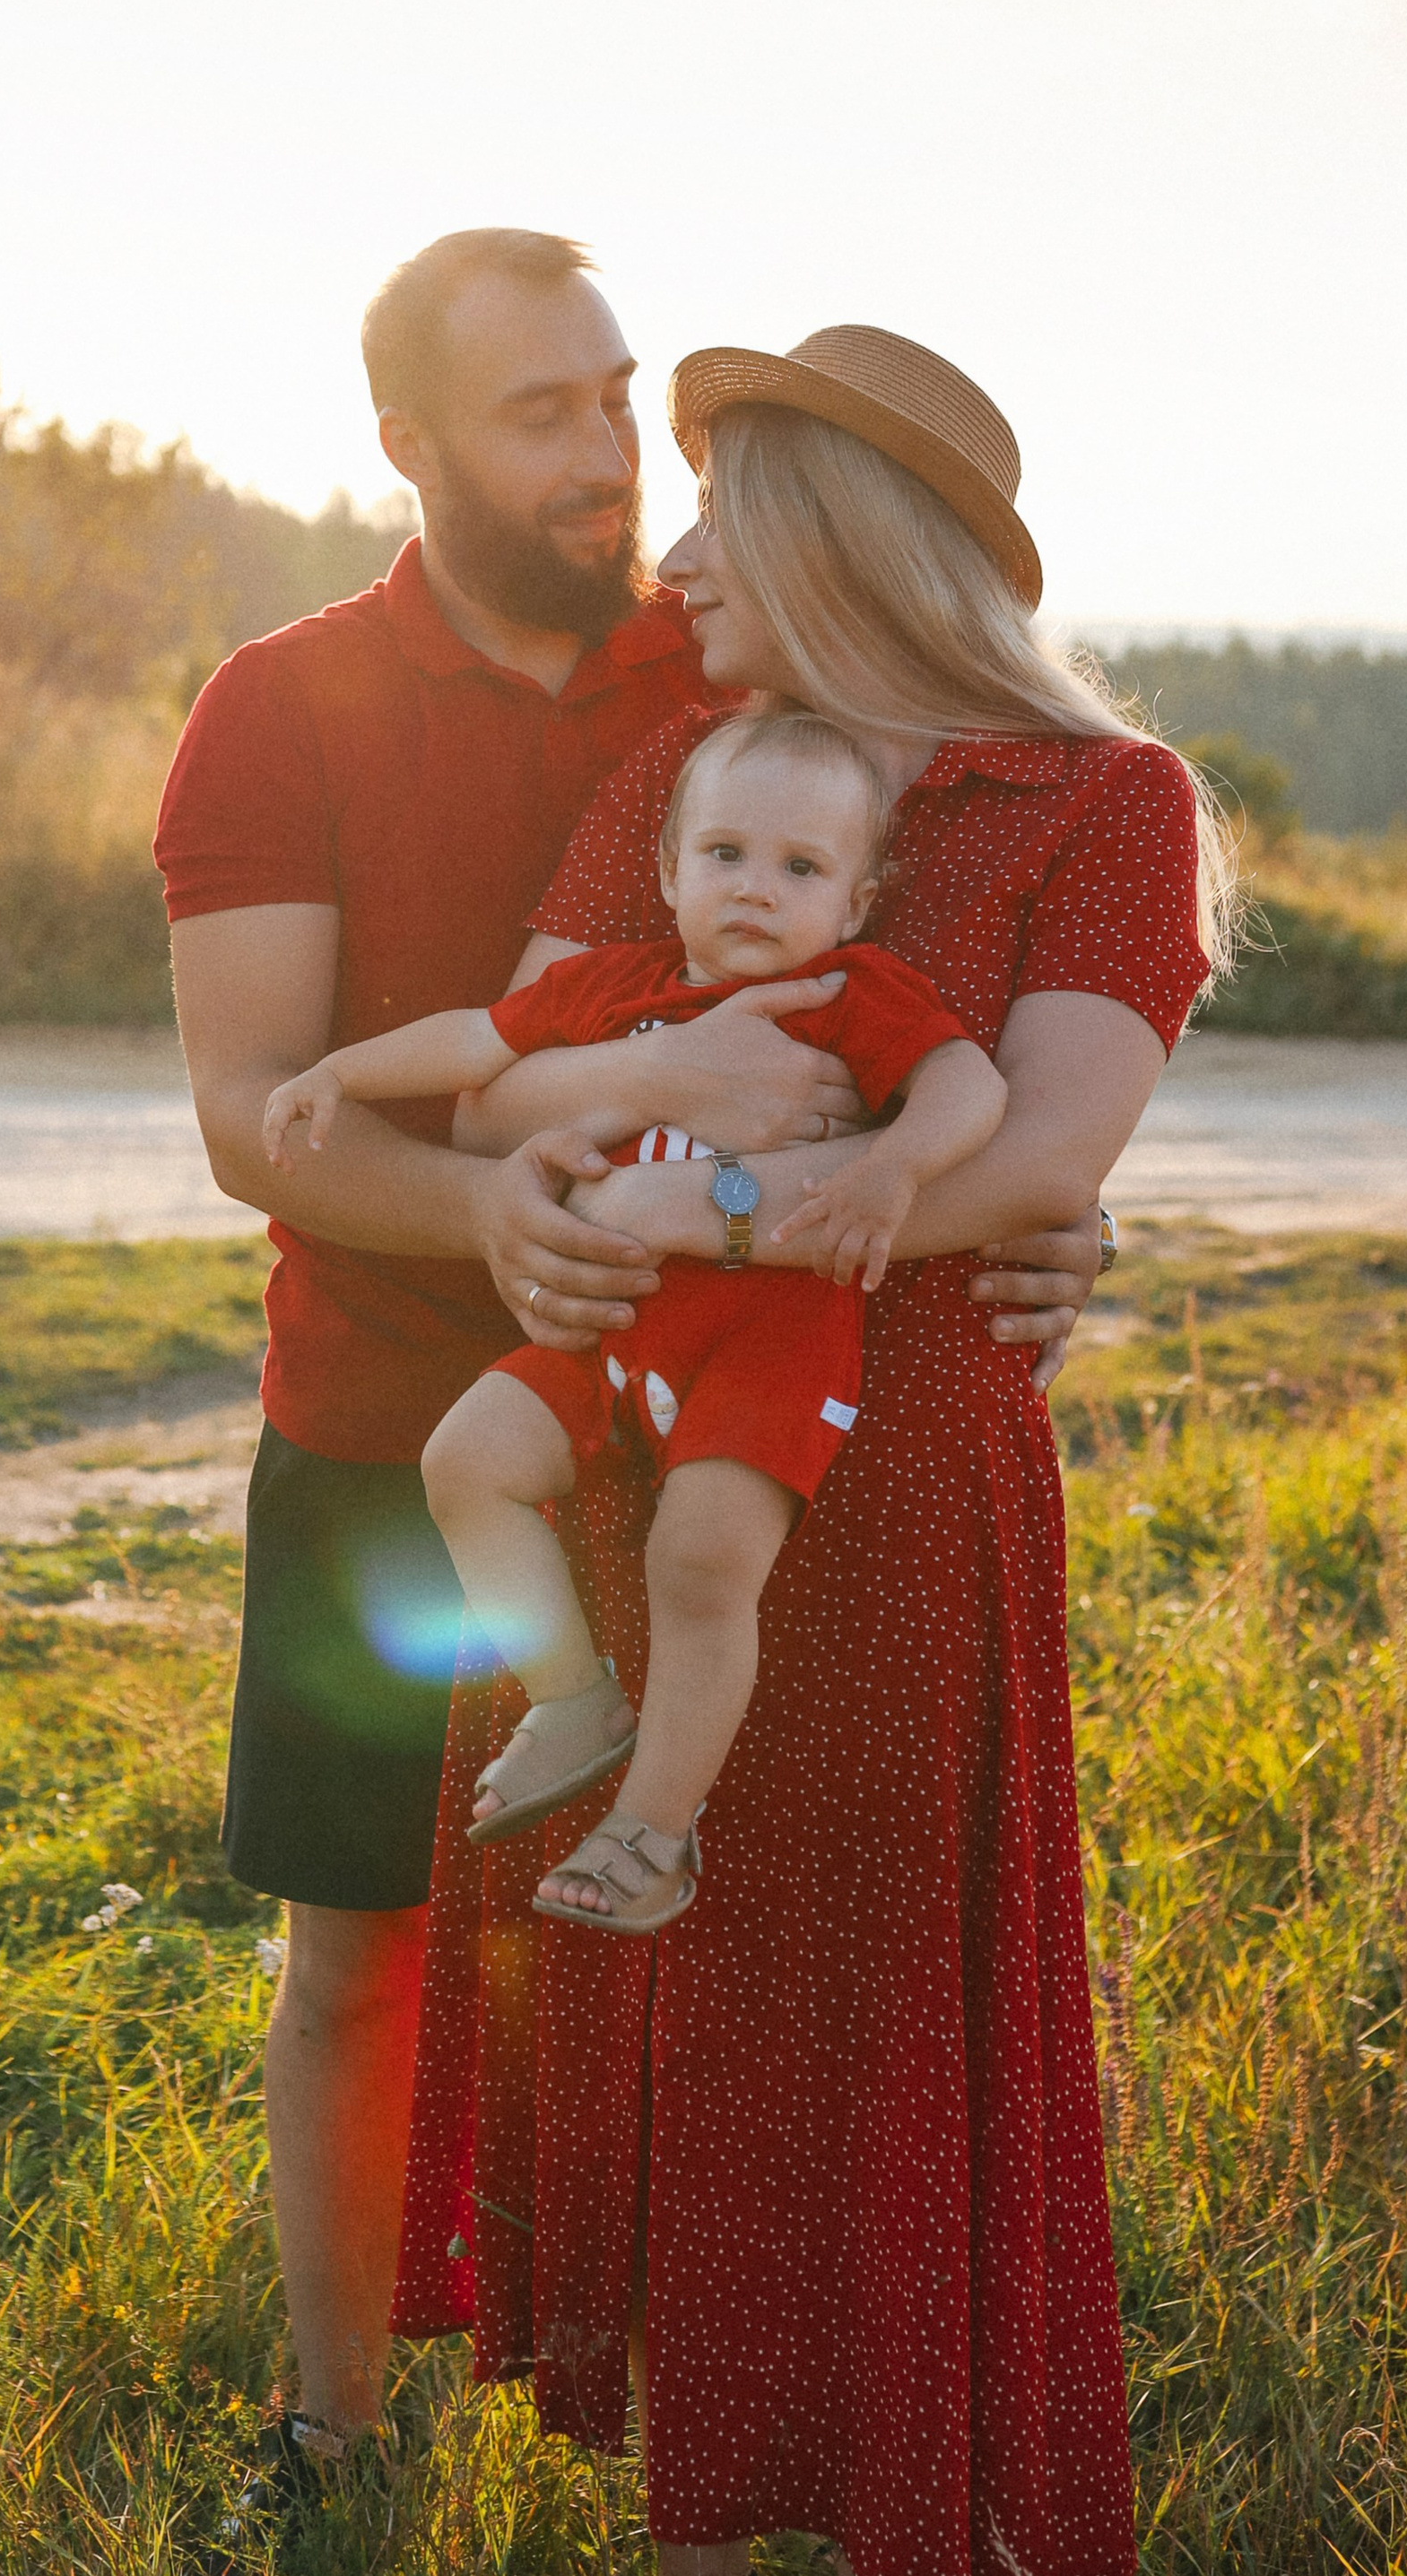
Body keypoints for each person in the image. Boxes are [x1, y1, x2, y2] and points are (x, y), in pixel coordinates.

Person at [154, 244, 1107, 2505]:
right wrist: (503, 1208)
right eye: (543, 421)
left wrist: (1031, 1197)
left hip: (690, 1412)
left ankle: (694, 2423)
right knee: (361, 1940)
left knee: (643, 1959)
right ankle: (333, 2420)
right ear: (406, 448)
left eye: (612, 406)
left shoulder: (710, 672)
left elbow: (941, 948)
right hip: (395, 1407)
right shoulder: (278, 706)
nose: (607, 469)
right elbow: (248, 1110)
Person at [393, 324, 1229, 2576]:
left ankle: (890, 2528)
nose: (668, 559)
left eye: (715, 513)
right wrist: (627, 1133)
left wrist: (717, 1194)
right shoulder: (683, 766)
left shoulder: (1099, 806)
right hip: (624, 1446)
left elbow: (1043, 1144)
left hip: (894, 1494)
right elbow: (502, 1086)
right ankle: (694, 2531)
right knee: (656, 1989)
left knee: (856, 2019)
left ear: (835, 540)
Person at [260, 706, 1007, 1931]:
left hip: (769, 1345)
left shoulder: (847, 992)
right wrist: (343, 1071)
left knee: (701, 1557)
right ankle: (573, 1697)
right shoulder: (620, 990)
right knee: (466, 1462)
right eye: (725, 855)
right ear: (669, 871)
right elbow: (474, 1043)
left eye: (801, 867)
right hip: (614, 1328)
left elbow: (966, 1083)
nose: (756, 890)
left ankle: (652, 1831)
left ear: (857, 900)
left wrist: (895, 1167)